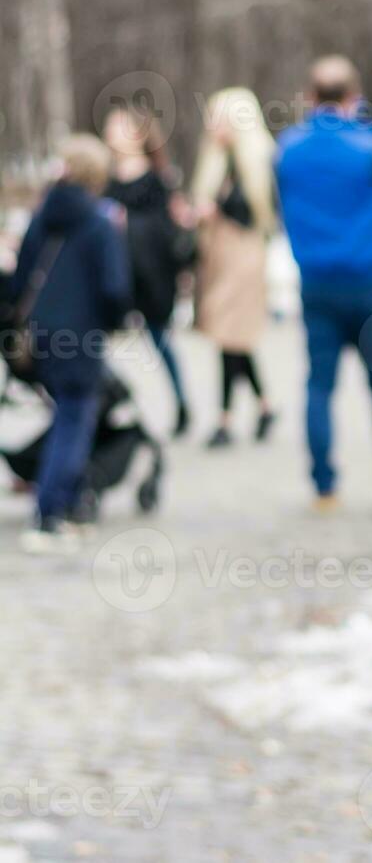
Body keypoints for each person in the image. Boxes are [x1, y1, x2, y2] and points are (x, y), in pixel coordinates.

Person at [274, 55, 372, 509]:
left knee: (318, 385)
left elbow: (278, 204)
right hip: (368, 283)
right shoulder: (371, 146)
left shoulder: (287, 149)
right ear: (353, 98)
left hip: (315, 283)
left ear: (308, 98)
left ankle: (324, 486)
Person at [10, 136, 131, 552]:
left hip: (40, 334)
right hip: (80, 336)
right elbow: (115, 287)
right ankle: (50, 514)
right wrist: (114, 322)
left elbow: (20, 278)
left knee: (67, 415)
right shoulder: (100, 222)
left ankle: (73, 502)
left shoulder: (43, 216)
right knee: (75, 420)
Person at [190, 88, 277, 448]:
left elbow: (254, 212)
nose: (212, 125)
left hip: (244, 255)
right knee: (234, 338)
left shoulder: (259, 159)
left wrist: (217, 207)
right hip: (219, 256)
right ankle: (264, 405)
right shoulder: (217, 160)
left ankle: (225, 419)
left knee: (229, 336)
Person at [103, 104, 191, 437]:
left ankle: (182, 403)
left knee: (160, 339)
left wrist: (129, 225)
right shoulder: (108, 181)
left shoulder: (156, 179)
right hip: (118, 274)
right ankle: (114, 408)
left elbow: (166, 229)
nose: (111, 132)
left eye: (118, 125)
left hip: (152, 274)